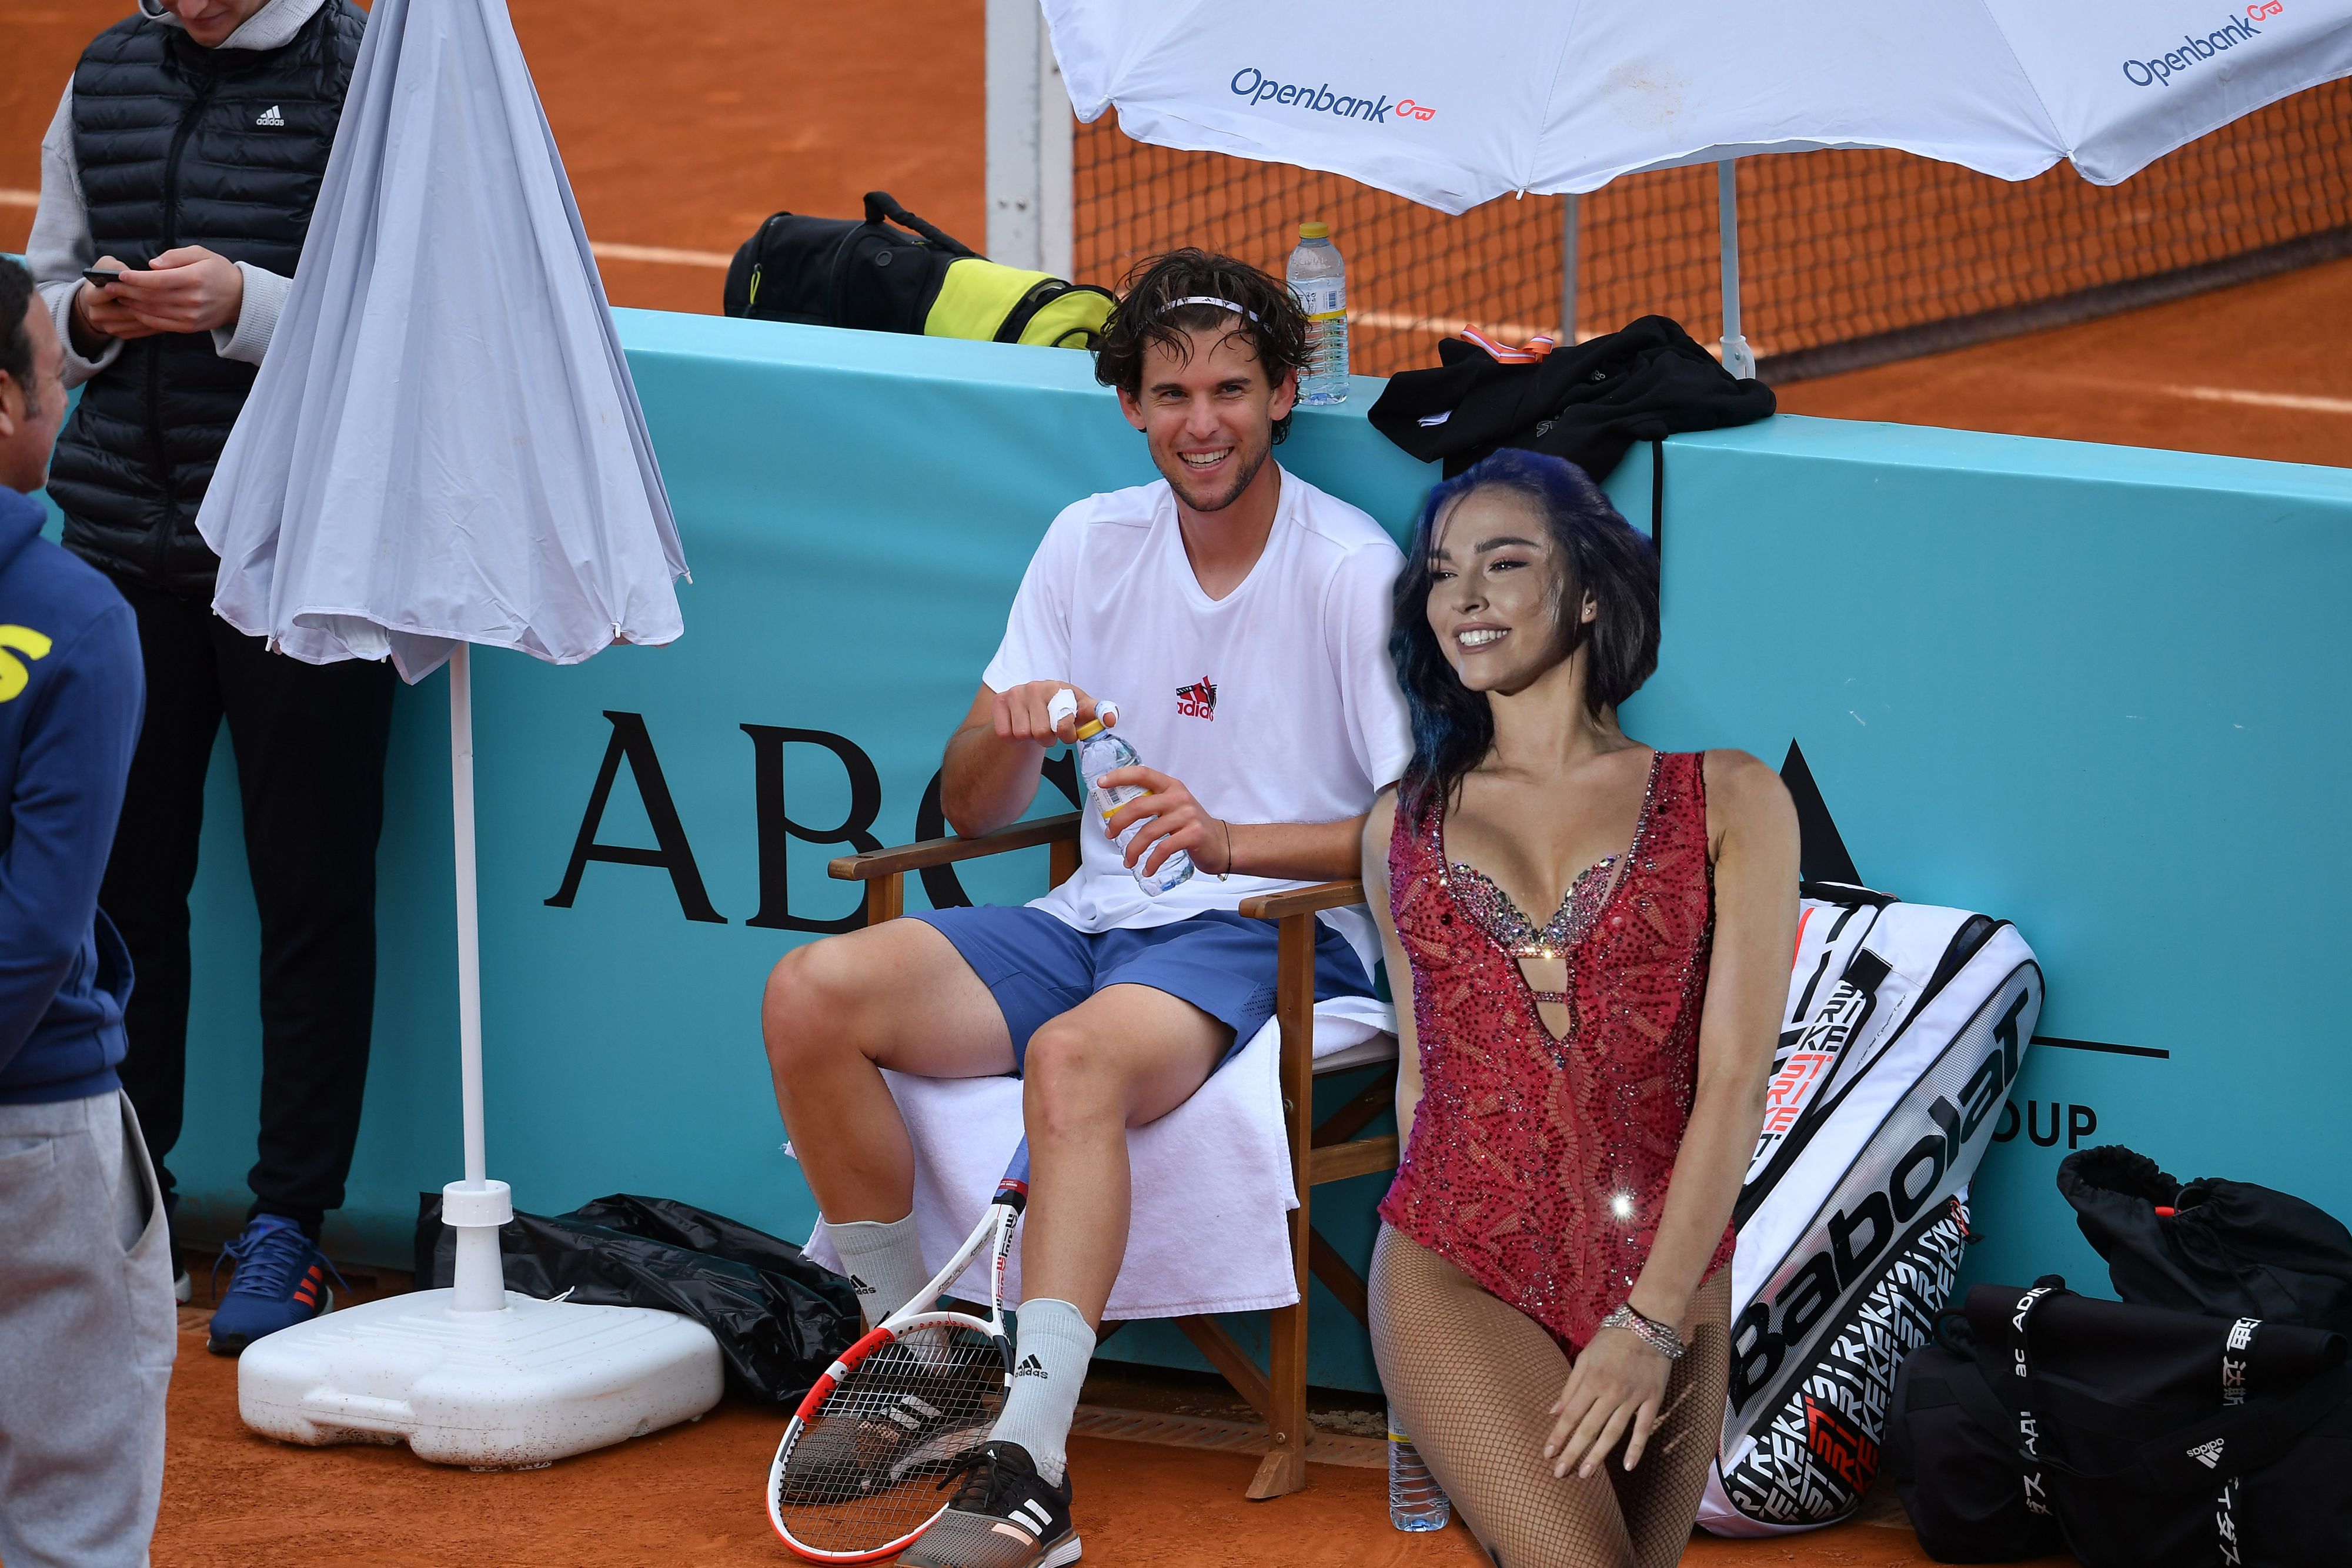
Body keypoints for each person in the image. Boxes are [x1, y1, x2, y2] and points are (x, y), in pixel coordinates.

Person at [761, 248, 1411, 1568]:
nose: (1203, 420)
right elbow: (977, 804)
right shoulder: (1084, 541)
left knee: (1071, 1057)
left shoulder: (1351, 567)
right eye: (1170, 391)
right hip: (1090, 916)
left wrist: (1226, 837)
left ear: (1286, 391)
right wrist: (1005, 734)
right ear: (1130, 404)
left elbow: (1423, 828)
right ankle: (930, 1370)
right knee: (810, 993)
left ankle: (1029, 1466)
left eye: (1232, 386)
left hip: (1274, 935)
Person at [1362, 449, 1796, 1568]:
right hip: (1457, 1266)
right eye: (1443, 570)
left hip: (1672, 1282)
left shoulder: (1734, 795)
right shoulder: (1395, 825)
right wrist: (1431, 1393)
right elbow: (1426, 1077)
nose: (1465, 595)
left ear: (1591, 592)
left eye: (1506, 563)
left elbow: (1737, 1081)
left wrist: (1652, 1321)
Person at [24, 0, 375, 1352]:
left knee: (312, 891)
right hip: (122, 546)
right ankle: (137, 1200)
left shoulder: (366, 73)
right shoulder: (108, 67)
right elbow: (44, 290)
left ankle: (291, 1220)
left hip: (304, 555)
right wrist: (95, 314)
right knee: (119, 890)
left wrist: (244, 306)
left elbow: (418, 321)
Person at [0, 258, 173, 1568]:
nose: (62, 407)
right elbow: (35, 928)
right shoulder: (76, 618)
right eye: (55, 379)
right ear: (2, 404)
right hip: (35, 1136)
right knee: (70, 1527)